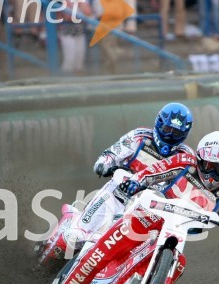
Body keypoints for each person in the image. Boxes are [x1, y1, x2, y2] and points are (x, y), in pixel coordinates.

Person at [34, 130, 219, 284]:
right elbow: (153, 172)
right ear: (199, 159)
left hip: (172, 235)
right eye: (208, 164)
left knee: (178, 263)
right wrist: (135, 182)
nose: (211, 172)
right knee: (98, 253)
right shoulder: (184, 162)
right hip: (144, 218)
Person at [38, 102, 196, 264]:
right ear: (159, 123)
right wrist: (104, 164)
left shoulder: (186, 158)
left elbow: (190, 191)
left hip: (147, 213)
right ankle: (43, 259)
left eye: (176, 132)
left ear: (184, 133)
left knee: (135, 257)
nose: (170, 136)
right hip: (115, 197)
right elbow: (112, 153)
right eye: (168, 130)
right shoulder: (140, 137)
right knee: (74, 237)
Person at [58, 0, 91, 74]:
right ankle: (66, 78)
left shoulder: (84, 0)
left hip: (80, 31)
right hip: (67, 31)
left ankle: (78, 78)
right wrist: (80, 16)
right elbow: (68, 17)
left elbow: (88, 13)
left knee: (80, 57)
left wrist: (79, 3)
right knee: (70, 56)